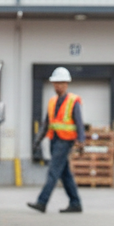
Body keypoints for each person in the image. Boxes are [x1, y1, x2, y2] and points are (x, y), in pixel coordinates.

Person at [27, 67, 84, 213]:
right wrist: (37, 141)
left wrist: (81, 141)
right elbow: (46, 124)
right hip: (54, 140)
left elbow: (79, 122)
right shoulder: (52, 102)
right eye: (56, 83)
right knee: (65, 174)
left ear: (66, 84)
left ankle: (42, 202)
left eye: (61, 83)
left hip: (66, 141)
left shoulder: (73, 101)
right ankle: (75, 203)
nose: (58, 86)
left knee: (53, 172)